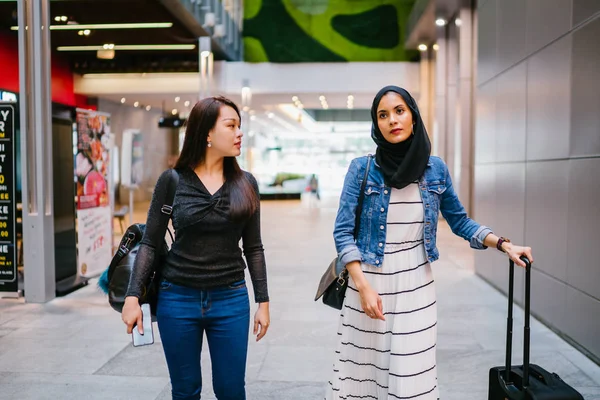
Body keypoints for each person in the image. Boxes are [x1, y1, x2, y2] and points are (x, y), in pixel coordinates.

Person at [328, 86, 533, 400]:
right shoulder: (362, 169)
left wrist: (504, 244)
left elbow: (460, 221)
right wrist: (363, 285)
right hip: (369, 285)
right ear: (376, 125)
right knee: (364, 373)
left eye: (399, 111)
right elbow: (342, 232)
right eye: (383, 115)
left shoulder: (435, 168)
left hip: (416, 285)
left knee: (413, 372)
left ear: (413, 116)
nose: (392, 120)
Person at [121, 96, 270, 400]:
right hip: (177, 299)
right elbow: (150, 241)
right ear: (207, 134)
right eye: (232, 126)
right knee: (185, 391)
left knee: (231, 390)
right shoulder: (172, 181)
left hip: (230, 299)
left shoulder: (246, 184)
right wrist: (132, 296)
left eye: (240, 126)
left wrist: (263, 302)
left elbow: (254, 248)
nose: (240, 132)